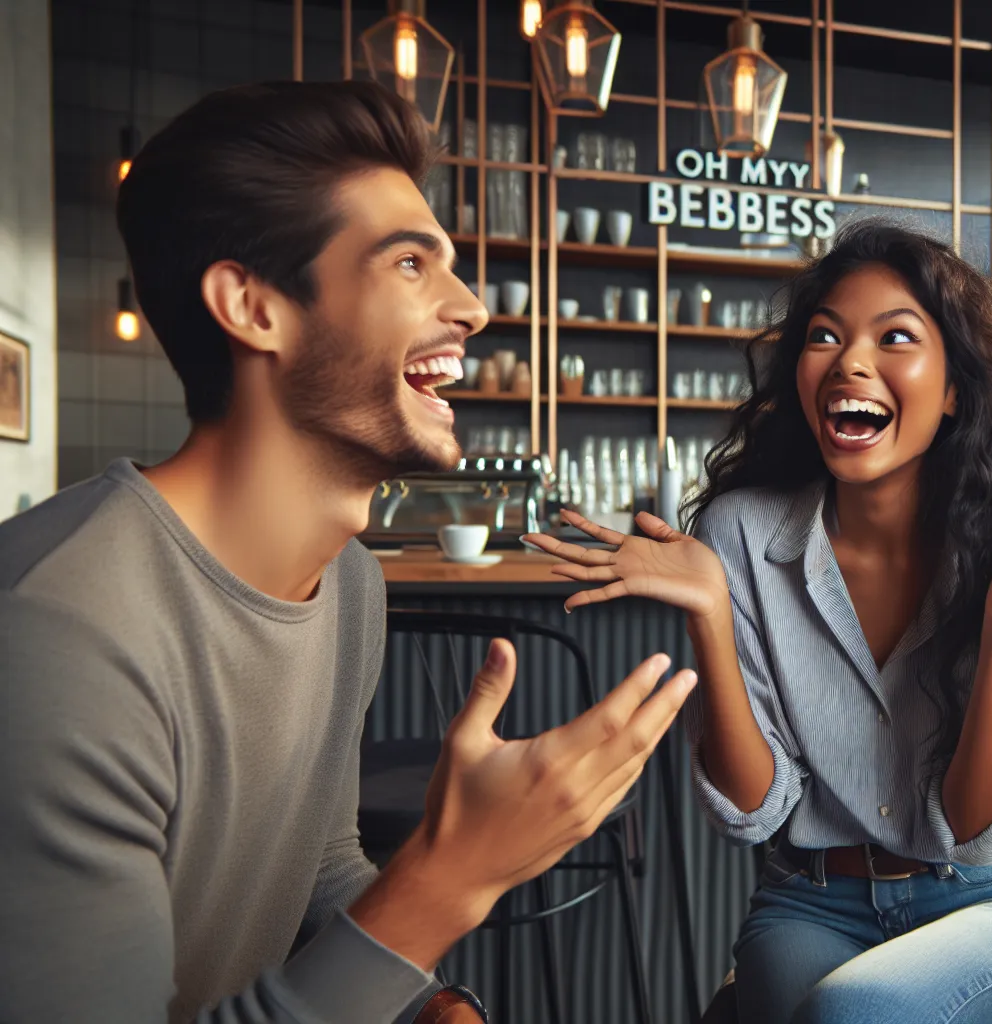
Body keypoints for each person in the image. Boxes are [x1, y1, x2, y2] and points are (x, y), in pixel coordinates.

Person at [0, 81, 695, 1023]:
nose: (470, 307)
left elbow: (316, 871)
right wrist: (451, 876)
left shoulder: (350, 584)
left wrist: (426, 1005)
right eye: (410, 264)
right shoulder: (61, 634)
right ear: (252, 307)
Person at [531, 221, 992, 1023]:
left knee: (848, 1016)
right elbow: (753, 810)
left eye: (895, 336)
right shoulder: (738, 532)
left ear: (953, 390)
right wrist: (708, 611)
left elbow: (978, 835)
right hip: (809, 904)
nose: (850, 362)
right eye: (825, 336)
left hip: (983, 902)